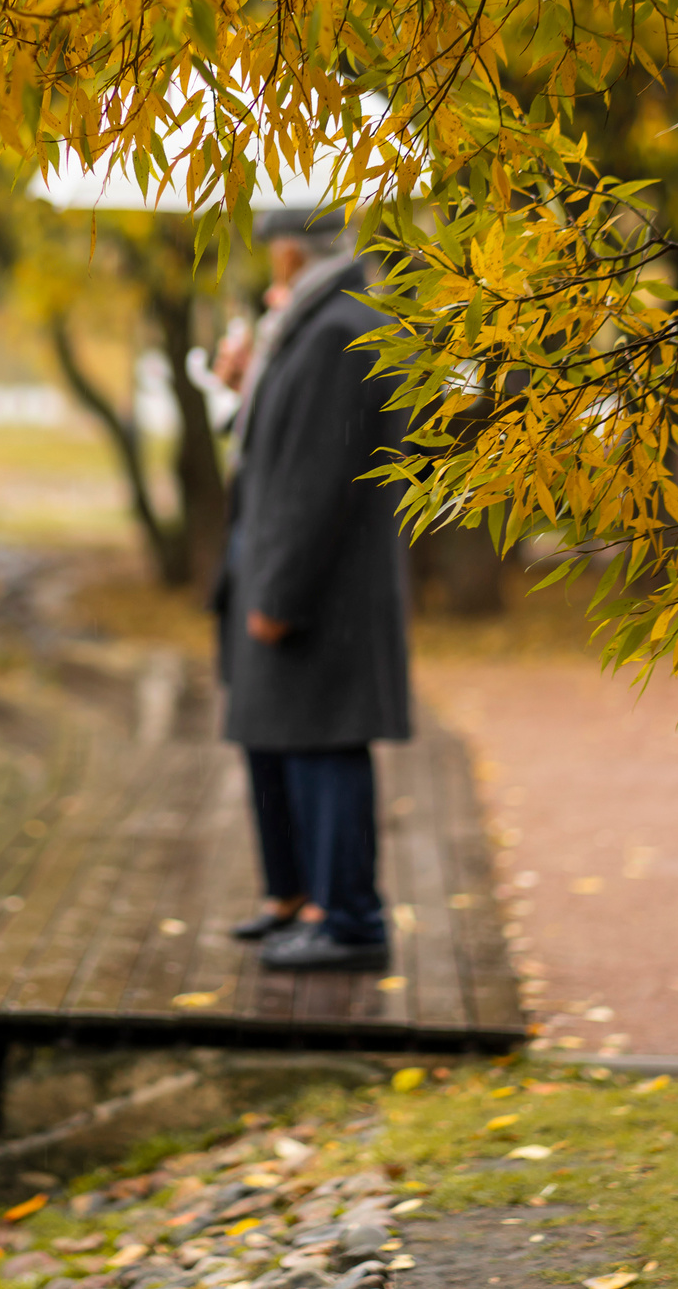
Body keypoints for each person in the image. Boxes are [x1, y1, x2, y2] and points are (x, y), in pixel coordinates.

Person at [209, 206, 411, 972]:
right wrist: (243, 382)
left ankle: (350, 918)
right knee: (279, 734)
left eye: (273, 254)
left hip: (316, 579)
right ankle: (297, 897)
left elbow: (319, 479)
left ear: (292, 255)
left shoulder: (337, 329)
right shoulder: (308, 324)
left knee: (323, 740)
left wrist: (281, 593)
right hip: (277, 561)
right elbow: (277, 443)